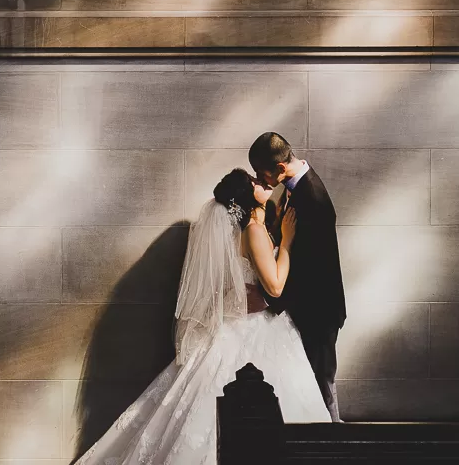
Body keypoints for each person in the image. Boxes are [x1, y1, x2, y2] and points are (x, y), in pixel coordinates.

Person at [73, 168, 330, 464]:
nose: (261, 182)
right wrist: (286, 242)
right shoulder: (253, 231)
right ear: (246, 198)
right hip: (256, 328)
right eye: (254, 182)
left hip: (230, 328)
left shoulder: (237, 232)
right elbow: (274, 285)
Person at [248, 132, 346, 422]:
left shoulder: (311, 197)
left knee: (321, 384)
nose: (260, 179)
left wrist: (272, 301)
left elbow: (311, 267)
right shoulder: (295, 185)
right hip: (308, 307)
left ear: (280, 168)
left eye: (262, 173)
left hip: (318, 310)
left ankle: (333, 439)